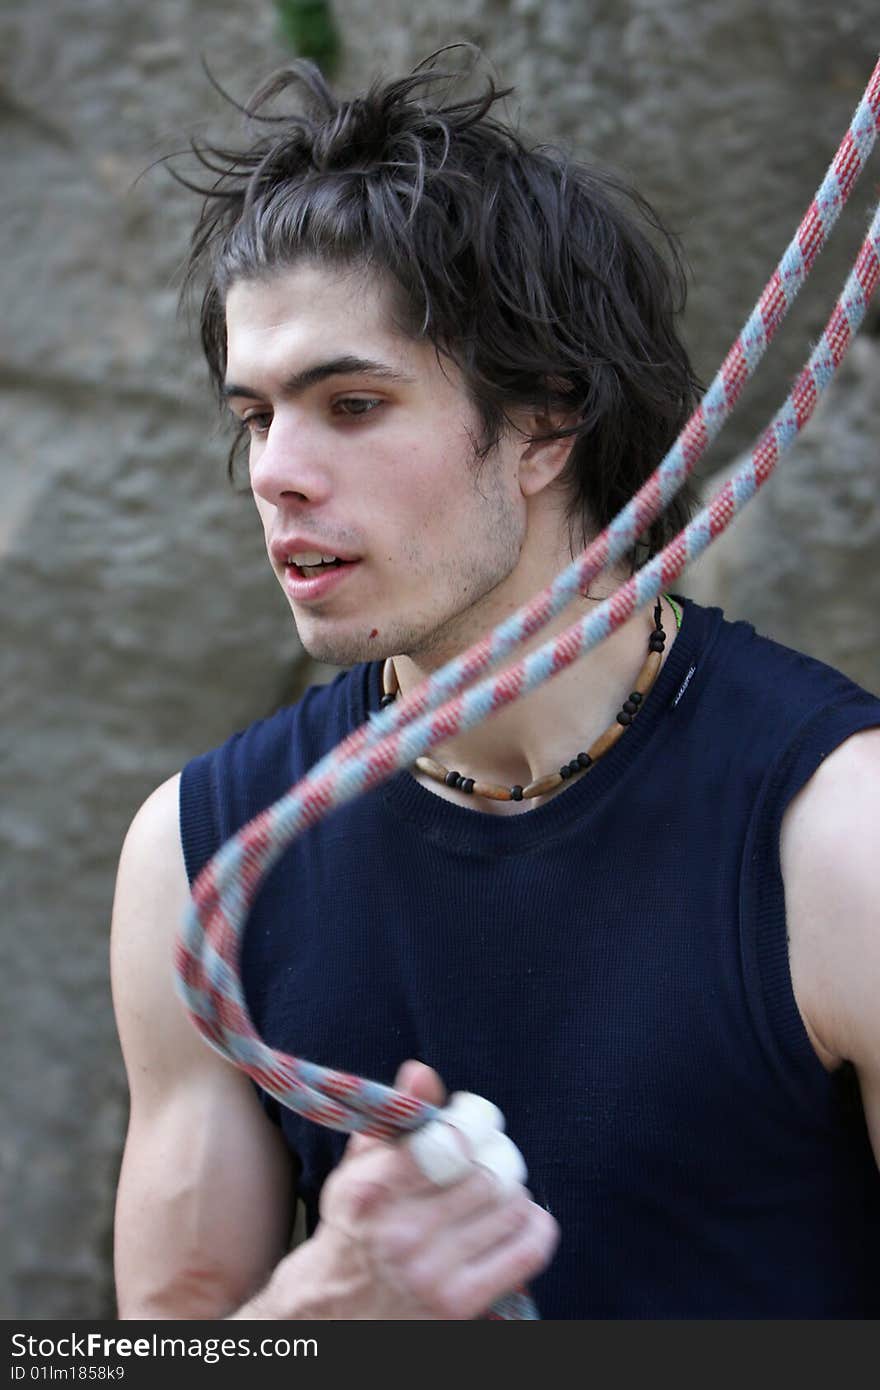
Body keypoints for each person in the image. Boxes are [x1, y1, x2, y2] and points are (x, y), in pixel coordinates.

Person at [110, 48, 880, 1320]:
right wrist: (328, 1311)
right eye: (256, 417)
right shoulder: (200, 861)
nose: (275, 473)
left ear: (545, 425)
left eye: (350, 404)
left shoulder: (838, 840)